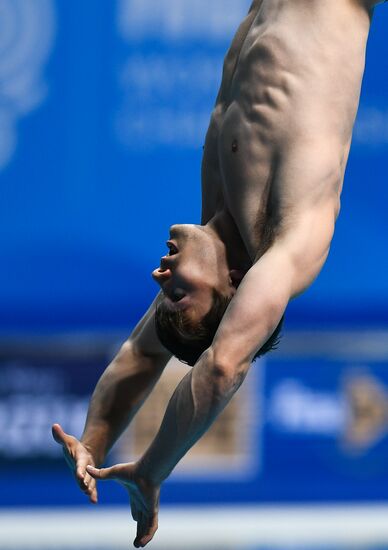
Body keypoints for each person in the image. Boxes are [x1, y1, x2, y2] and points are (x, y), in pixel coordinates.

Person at [52, 0, 385, 547]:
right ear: (231, 286)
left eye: (163, 292)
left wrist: (93, 443)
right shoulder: (290, 241)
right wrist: (152, 469)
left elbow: (137, 357)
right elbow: (224, 366)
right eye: (177, 294)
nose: (160, 276)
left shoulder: (220, 222)